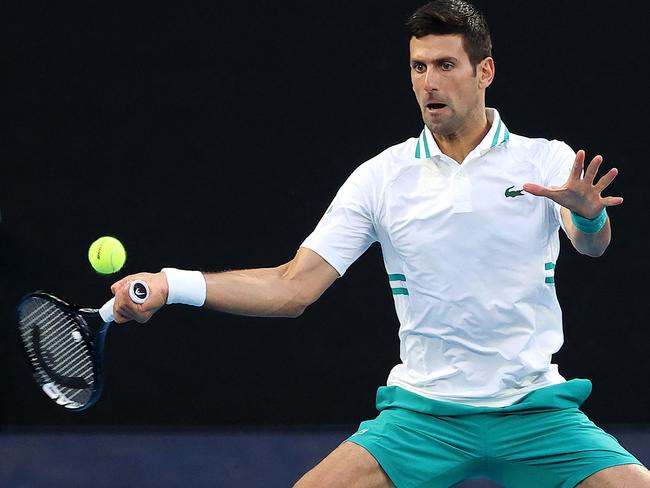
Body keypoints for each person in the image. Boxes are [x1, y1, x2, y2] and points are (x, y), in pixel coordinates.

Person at [110, 1, 650, 486]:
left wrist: (589, 219)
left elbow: (590, 244)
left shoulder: (546, 160)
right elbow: (291, 287)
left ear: (484, 71)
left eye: (445, 66)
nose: (429, 83)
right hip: (423, 417)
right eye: (419, 67)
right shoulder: (381, 178)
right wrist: (170, 283)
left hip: (535, 411)